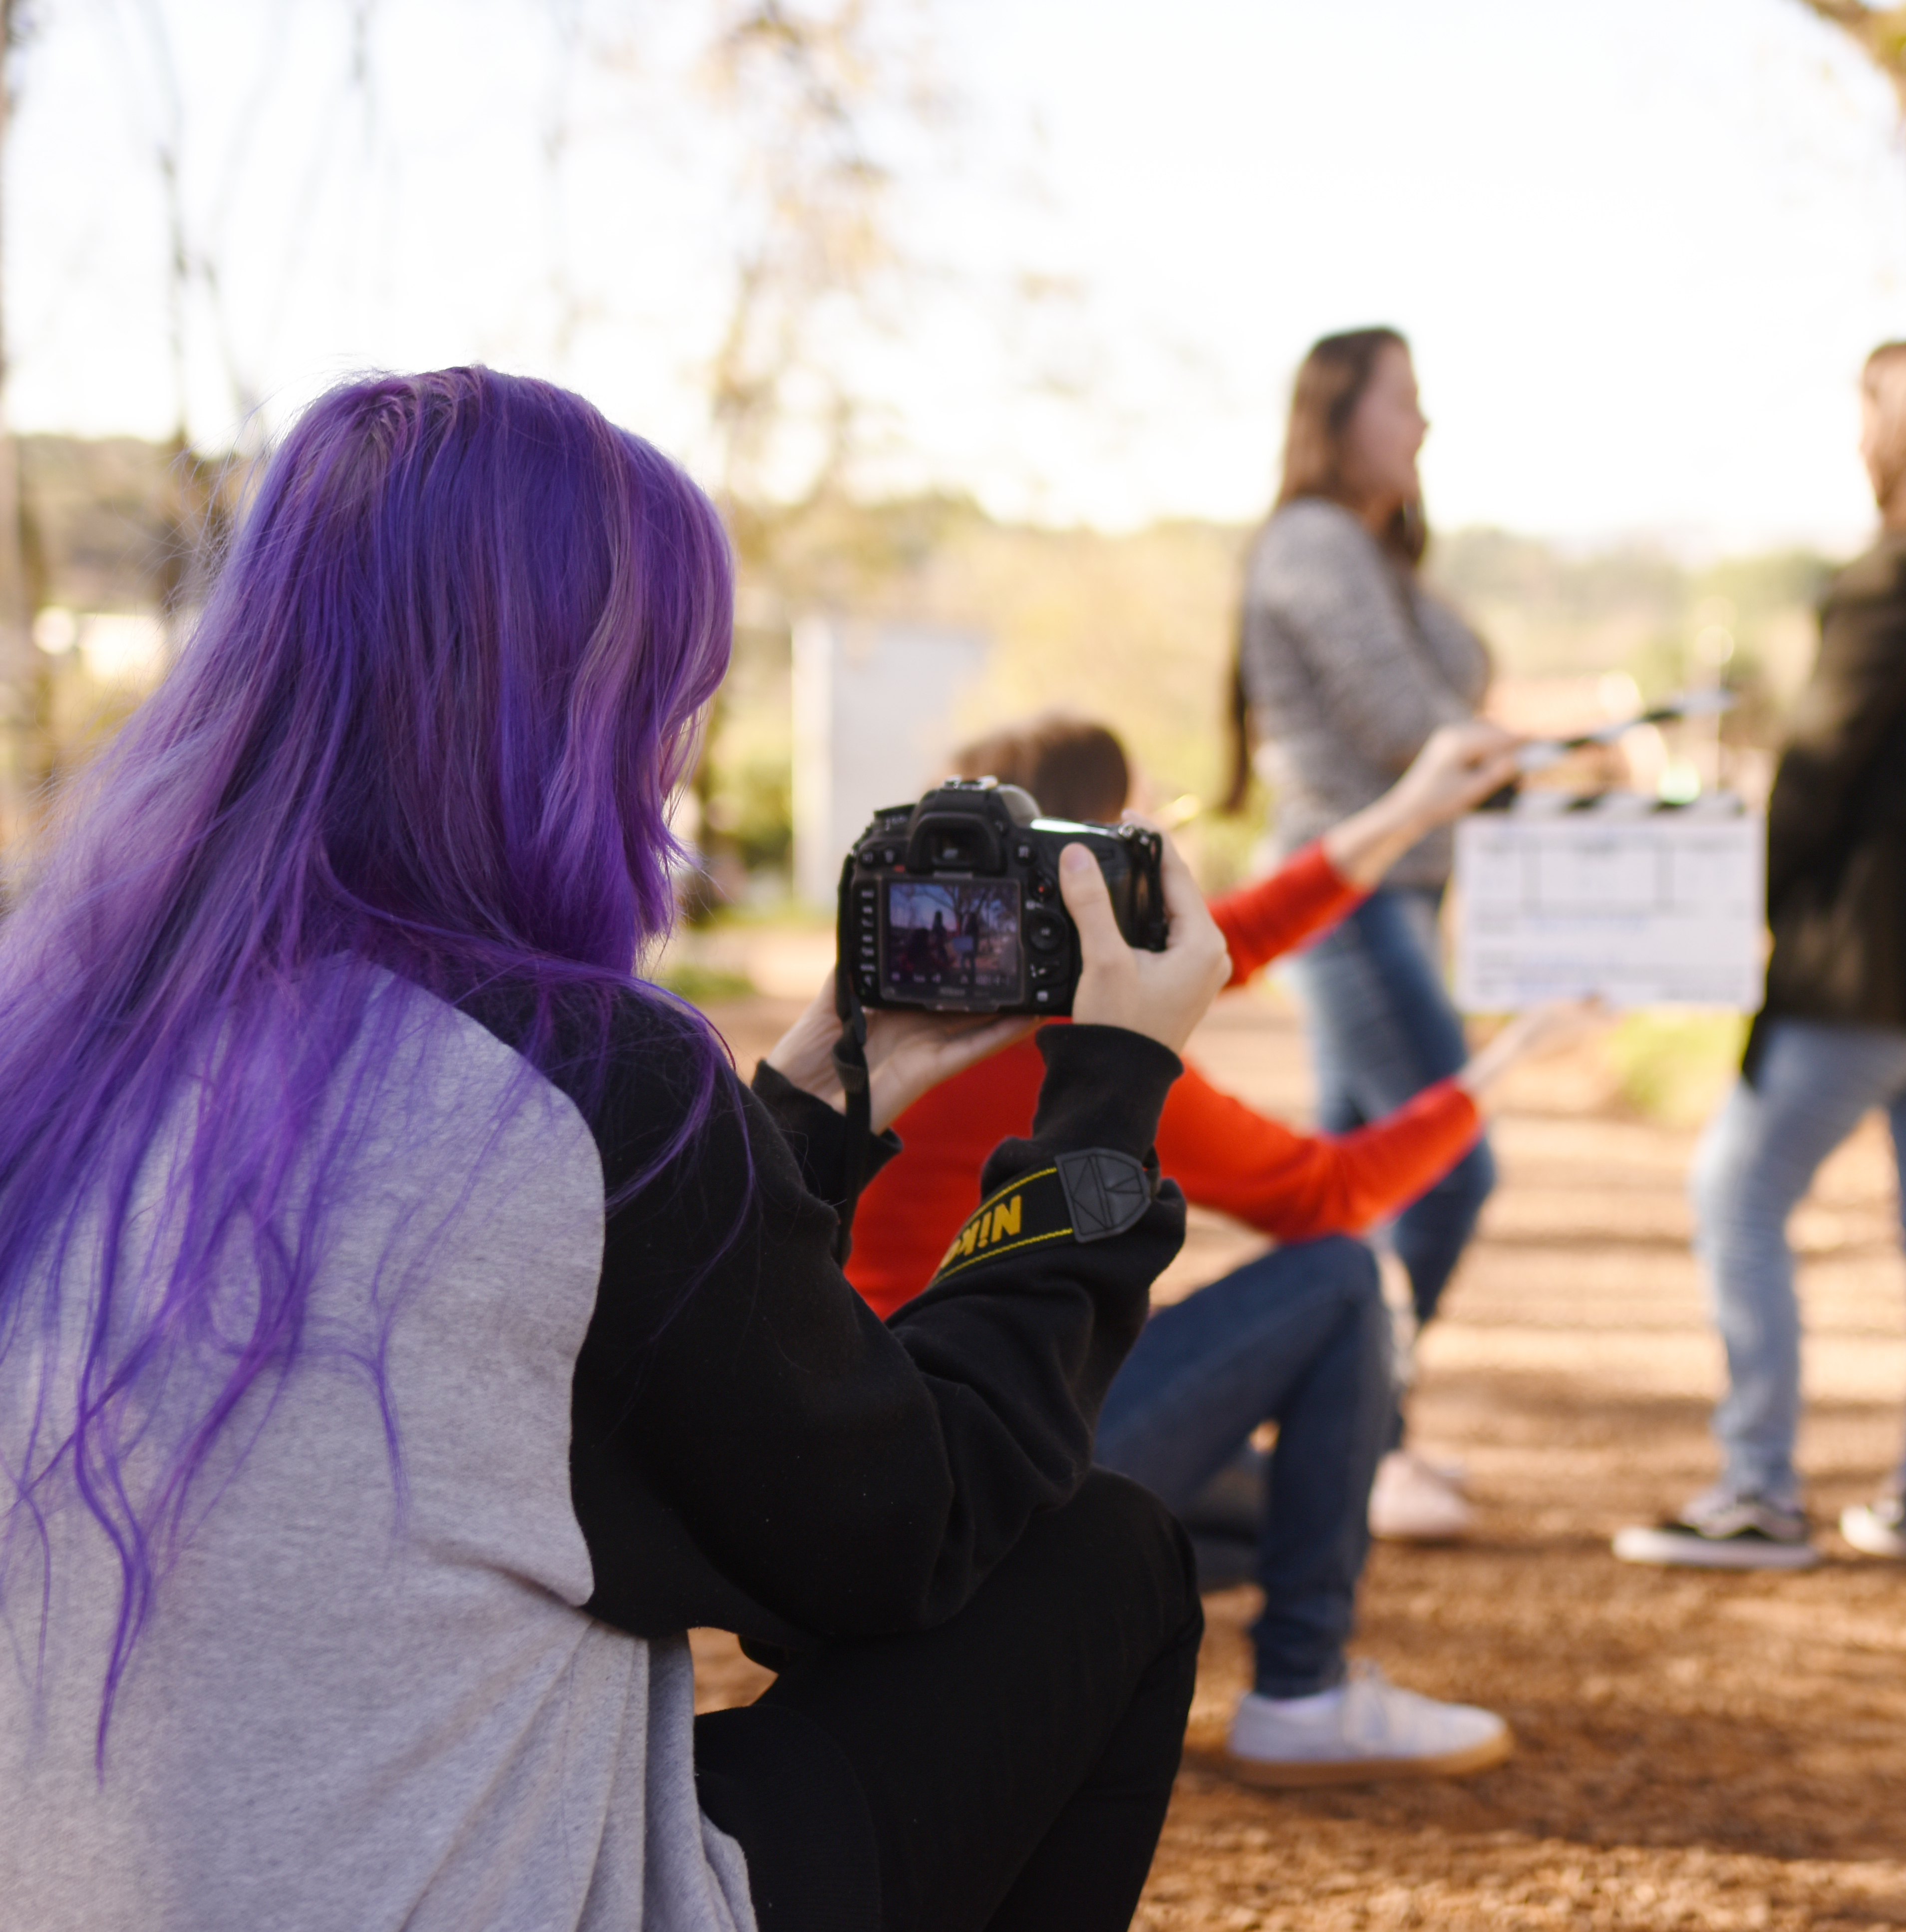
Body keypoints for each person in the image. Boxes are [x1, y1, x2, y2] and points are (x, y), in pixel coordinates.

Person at [0, 368, 1234, 1932]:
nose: (677, 743)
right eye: (672, 685)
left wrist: (804, 1104)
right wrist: (1111, 1096)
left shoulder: (69, 1040)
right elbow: (904, 1528)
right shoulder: (580, 1081)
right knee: (1101, 1560)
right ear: (570, 704)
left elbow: (602, 1363)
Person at [848, 711, 1585, 1784]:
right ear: (1094, 858)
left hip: (886, 1459)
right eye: (1155, 830)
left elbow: (1231, 938)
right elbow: (1329, 1194)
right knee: (1342, 1278)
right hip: (1011, 1460)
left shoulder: (910, 998)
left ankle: (1009, 1639)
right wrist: (1513, 1058)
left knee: (1261, 1511)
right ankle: (1302, 1691)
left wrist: (1415, 808)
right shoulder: (1091, 1060)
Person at [1615, 332, 1906, 1573]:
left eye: (1873, 411)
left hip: (1880, 961)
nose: (1859, 435)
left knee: (1740, 1191)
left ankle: (1760, 1492)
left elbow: (1816, 782)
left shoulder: (1892, 582)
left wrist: (1740, 913)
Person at [1222, 327, 1494, 1527]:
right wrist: (1529, 751)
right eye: (1406, 402)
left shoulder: (1371, 551)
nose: (1425, 424)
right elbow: (1403, 721)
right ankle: (1351, 1425)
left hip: (1403, 887)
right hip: (1347, 893)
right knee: (1450, 1164)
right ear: (1338, 413)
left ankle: (1351, 1442)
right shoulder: (1316, 544)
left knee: (1345, 1187)